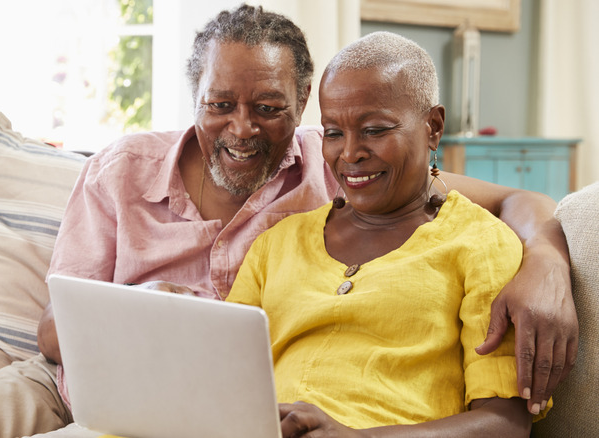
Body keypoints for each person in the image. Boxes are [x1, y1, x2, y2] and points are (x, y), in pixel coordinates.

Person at [0, 5, 576, 438]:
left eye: (270, 108)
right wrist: (145, 313)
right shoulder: (121, 170)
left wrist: (546, 258)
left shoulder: (335, 167)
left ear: (302, 103)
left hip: (219, 416)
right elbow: (56, 329)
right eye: (220, 104)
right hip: (83, 383)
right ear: (194, 98)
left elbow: (497, 204)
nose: (242, 129)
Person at [228, 31, 544, 437]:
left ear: (432, 127)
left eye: (375, 130)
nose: (350, 153)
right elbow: (224, 378)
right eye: (334, 132)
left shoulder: (480, 245)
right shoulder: (277, 243)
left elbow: (506, 424)